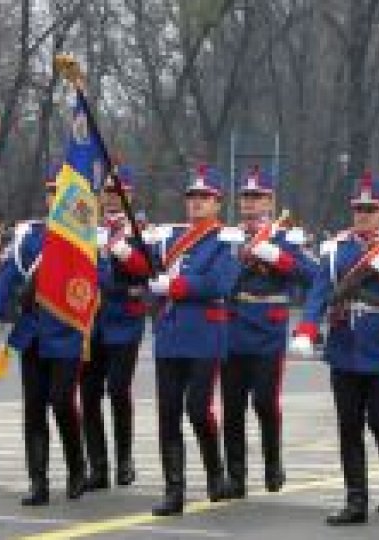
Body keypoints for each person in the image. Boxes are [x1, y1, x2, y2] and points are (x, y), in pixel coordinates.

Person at [289, 173, 379, 525]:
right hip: (345, 346)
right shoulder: (337, 249)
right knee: (349, 425)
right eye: (359, 209)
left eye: (371, 209)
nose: (364, 215)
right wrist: (307, 328)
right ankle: (356, 500)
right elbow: (320, 292)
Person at [0, 168, 89, 506]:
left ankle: (77, 467)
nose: (55, 199)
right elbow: (8, 276)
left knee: (62, 401)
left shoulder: (83, 237)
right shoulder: (30, 236)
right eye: (51, 193)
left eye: (61, 194)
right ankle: (38, 481)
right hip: (33, 331)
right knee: (34, 407)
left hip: (66, 331)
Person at [144, 164, 241, 516]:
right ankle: (174, 490)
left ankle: (216, 475)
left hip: (203, 336)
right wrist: (133, 256)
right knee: (168, 413)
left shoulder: (226, 240)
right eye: (193, 197)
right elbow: (147, 270)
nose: (197, 203)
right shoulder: (168, 237)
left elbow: (219, 284)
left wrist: (175, 286)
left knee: (198, 409)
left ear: (217, 203)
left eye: (205, 198)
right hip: (169, 335)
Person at [223, 166, 316, 498]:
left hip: (267, 326)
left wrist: (277, 257)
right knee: (232, 405)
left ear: (270, 201)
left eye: (257, 197)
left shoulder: (287, 237)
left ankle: (272, 462)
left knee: (264, 401)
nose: (250, 203)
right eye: (246, 197)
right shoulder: (228, 236)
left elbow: (312, 275)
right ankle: (235, 475)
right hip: (232, 325)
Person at [81, 165, 150, 489]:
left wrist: (124, 252)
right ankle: (98, 465)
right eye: (107, 192)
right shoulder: (86, 227)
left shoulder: (143, 230)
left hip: (125, 315)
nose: (112, 198)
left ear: (130, 195)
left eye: (118, 192)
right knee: (89, 392)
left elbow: (148, 270)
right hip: (92, 318)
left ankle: (124, 459)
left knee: (118, 389)